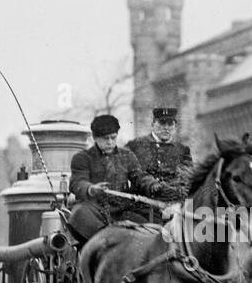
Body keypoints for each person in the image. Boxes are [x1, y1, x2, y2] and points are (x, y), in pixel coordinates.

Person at [66, 114, 169, 244]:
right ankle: (104, 243)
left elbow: (140, 176)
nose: (110, 142)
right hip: (95, 210)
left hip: (122, 210)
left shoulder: (127, 155)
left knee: (149, 231)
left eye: (113, 138)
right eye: (105, 139)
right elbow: (78, 182)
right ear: (94, 138)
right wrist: (91, 189)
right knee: (79, 213)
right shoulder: (82, 158)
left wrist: (152, 184)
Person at [125, 105, 193, 222]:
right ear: (153, 124)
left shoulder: (182, 150)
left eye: (170, 124)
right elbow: (133, 171)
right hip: (143, 205)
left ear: (175, 126)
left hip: (173, 205)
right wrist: (150, 183)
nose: (166, 128)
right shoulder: (135, 146)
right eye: (162, 123)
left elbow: (187, 176)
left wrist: (175, 192)